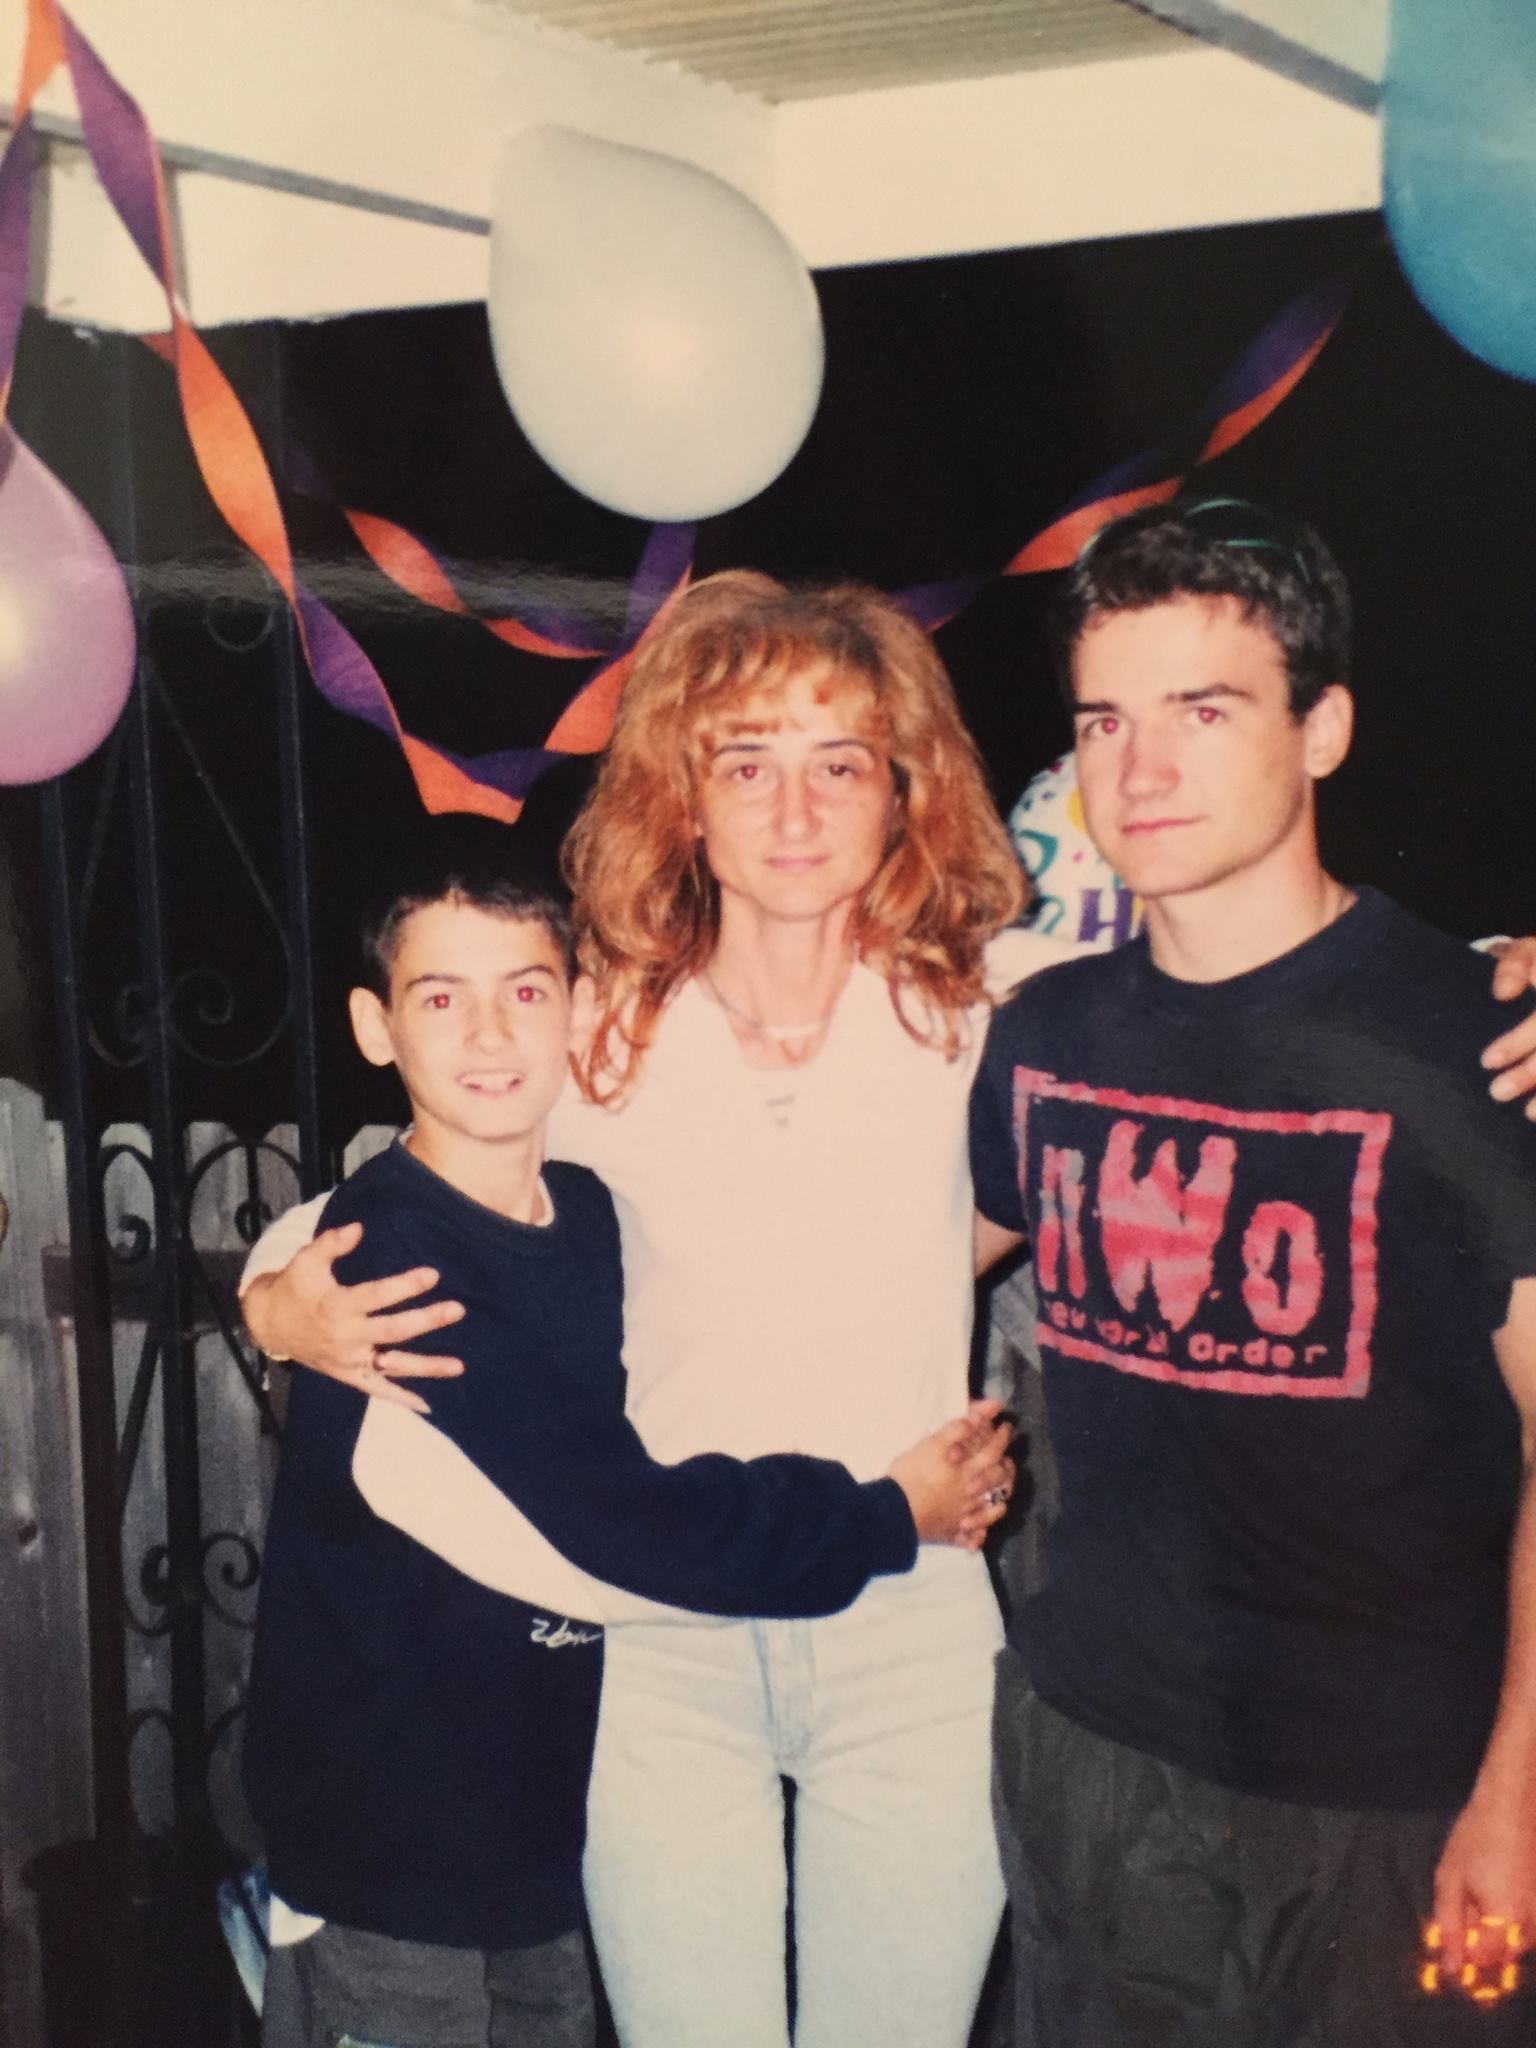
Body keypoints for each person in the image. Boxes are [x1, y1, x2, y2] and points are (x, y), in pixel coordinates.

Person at [244, 570, 1536, 2048]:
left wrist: (1506, 971)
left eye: (841, 764)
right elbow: (409, 1177)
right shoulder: (597, 1024)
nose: (794, 812)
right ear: (684, 794)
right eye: (747, 764)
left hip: (908, 1618)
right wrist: (273, 1292)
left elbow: (1255, 987)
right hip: (663, 1636)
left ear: (902, 791)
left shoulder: (996, 1012)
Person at [247, 823, 1011, 2048]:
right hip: (383, 1851)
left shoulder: (592, 1213)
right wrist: (885, 1513)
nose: (489, 1034)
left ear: (579, 1009)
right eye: (441, 997)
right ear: (375, 1026)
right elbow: (618, 1530)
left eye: (525, 991)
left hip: (535, 1837)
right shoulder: (391, 1268)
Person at [969, 498, 1536, 2048]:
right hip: (1095, 1757)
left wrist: (1518, 1796)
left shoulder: (1475, 1046)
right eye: (1105, 720)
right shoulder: (1046, 1036)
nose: (1140, 769)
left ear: (1322, 728)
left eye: (1203, 711)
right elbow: (846, 1270)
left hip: (1395, 1802)